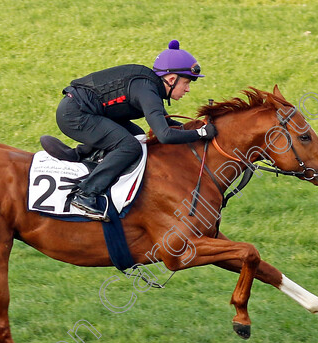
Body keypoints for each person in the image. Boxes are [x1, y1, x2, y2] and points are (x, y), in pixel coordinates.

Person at [50, 39, 216, 220]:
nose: (188, 89)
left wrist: (199, 128)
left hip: (84, 109)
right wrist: (200, 134)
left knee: (138, 136)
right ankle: (85, 194)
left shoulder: (150, 87)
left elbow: (168, 124)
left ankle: (84, 154)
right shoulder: (147, 90)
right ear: (171, 79)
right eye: (186, 82)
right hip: (75, 114)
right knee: (129, 146)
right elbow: (165, 135)